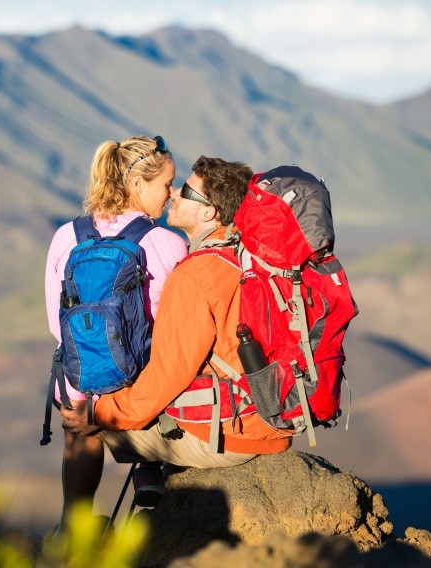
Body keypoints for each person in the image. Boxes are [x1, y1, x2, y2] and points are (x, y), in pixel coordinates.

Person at [59, 156, 293, 504]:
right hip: (269, 418)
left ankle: (78, 528)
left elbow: (168, 375)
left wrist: (96, 413)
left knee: (92, 422)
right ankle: (154, 482)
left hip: (235, 436)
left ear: (208, 213)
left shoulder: (195, 276)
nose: (173, 197)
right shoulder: (243, 258)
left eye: (184, 192)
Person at [44, 135, 187, 529]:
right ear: (138, 185)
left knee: (78, 424)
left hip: (80, 385)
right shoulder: (169, 244)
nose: (172, 194)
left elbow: (57, 322)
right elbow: (179, 329)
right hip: (140, 390)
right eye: (167, 184)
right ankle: (149, 472)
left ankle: (72, 528)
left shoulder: (66, 237)